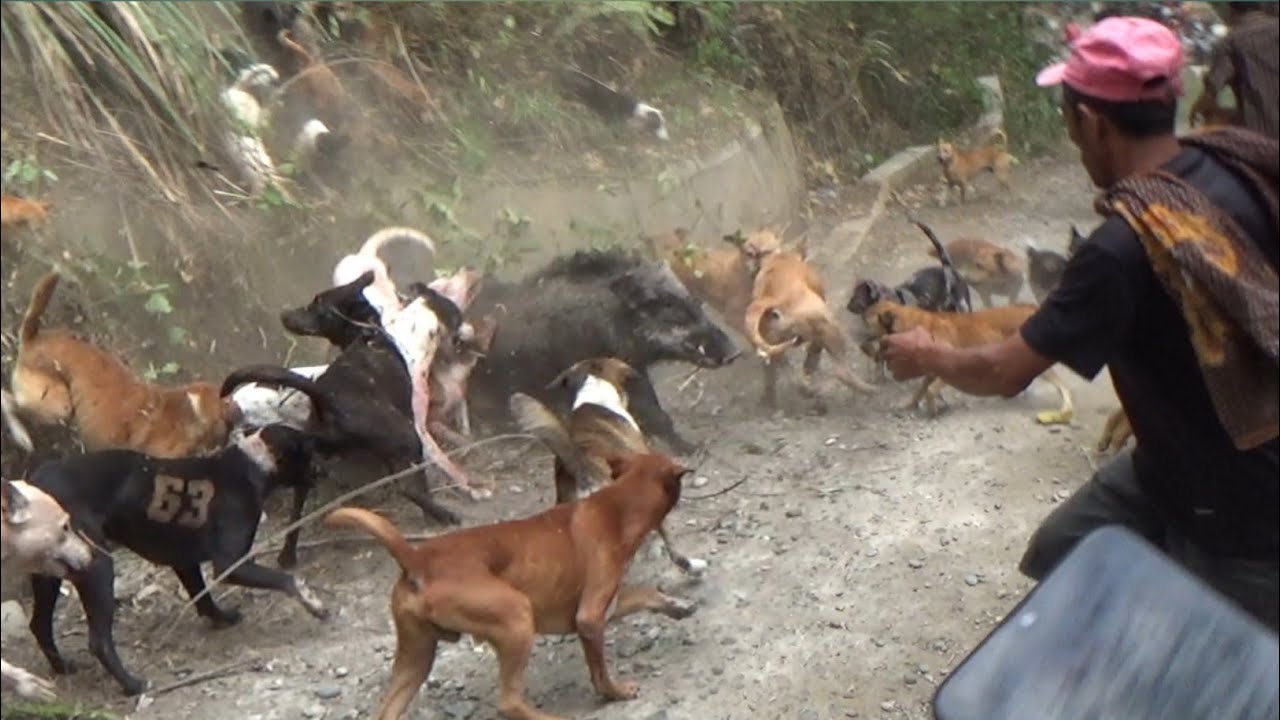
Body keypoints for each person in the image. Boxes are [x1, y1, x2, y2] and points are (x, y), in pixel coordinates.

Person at [881, 16, 1279, 631]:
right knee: (1062, 548)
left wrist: (926, 354)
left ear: (1090, 122)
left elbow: (1003, 370)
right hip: (1174, 463)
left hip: (1239, 504)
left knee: (1219, 656)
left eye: (1069, 119)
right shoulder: (1229, 164)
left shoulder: (1121, 248)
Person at [1189, 2, 1279, 138]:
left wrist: (1199, 109)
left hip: (1264, 137)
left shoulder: (1231, 40)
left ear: (1230, 12)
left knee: (1211, 118)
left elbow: (1212, 90)